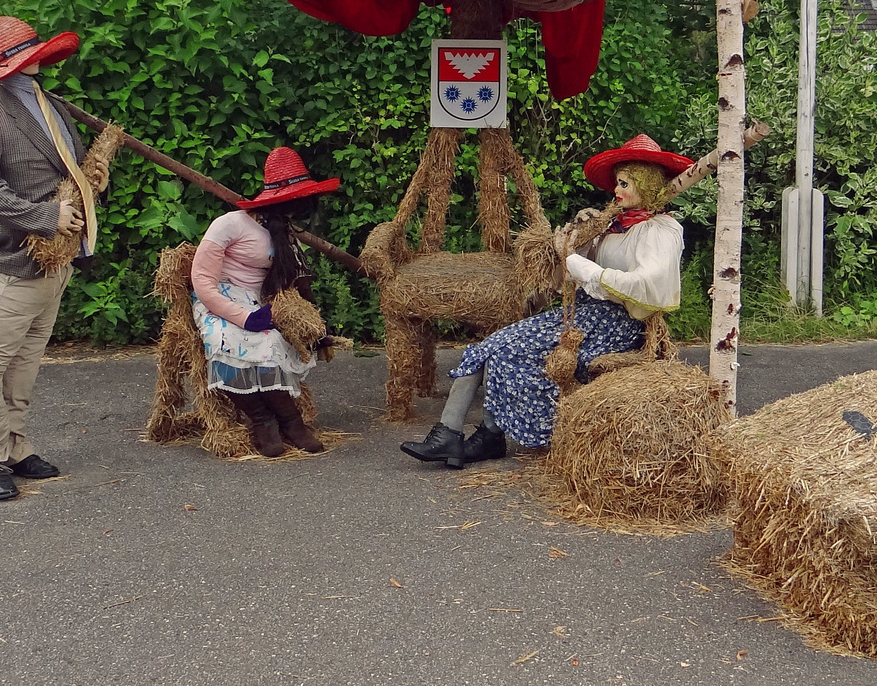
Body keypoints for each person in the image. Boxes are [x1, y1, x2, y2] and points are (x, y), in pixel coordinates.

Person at [401, 134, 692, 468]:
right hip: (583, 312)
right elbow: (568, 271)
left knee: (503, 347)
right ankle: (453, 435)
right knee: (491, 346)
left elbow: (648, 286)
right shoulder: (614, 224)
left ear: (645, 183)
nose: (617, 190)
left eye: (625, 183)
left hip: (616, 323)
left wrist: (586, 269)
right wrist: (576, 241)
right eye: (617, 183)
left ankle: (482, 437)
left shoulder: (661, 231)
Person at [0, 16, 109, 502]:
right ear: (5, 69)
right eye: (25, 57)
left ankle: (15, 446)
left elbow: (70, 167)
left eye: (34, 53)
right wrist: (47, 217)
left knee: (23, 364)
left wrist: (93, 182)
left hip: (56, 265)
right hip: (11, 265)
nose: (34, 62)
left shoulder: (53, 106)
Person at [190, 147, 338, 457]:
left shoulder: (282, 232)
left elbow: (295, 281)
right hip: (220, 299)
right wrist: (243, 318)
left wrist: (314, 325)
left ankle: (291, 422)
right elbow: (202, 280)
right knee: (224, 341)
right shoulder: (229, 224)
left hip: (258, 301)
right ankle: (262, 420)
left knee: (273, 342)